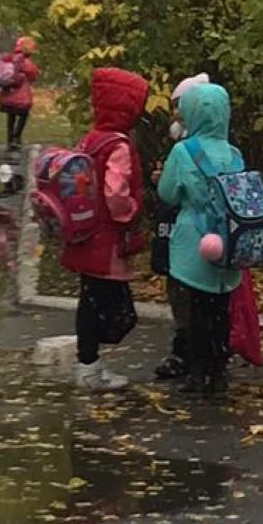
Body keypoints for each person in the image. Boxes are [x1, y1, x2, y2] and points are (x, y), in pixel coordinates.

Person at [61, 67, 151, 391]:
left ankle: (89, 363)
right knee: (115, 310)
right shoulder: (119, 146)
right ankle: (89, 365)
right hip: (108, 238)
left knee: (91, 298)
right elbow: (115, 193)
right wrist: (129, 212)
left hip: (85, 232)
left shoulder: (92, 138)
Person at [157, 81, 246, 397]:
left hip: (193, 243)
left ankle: (196, 374)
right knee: (220, 311)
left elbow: (167, 192)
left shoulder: (183, 151)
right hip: (229, 242)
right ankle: (218, 371)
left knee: (194, 312)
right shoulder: (234, 154)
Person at [152, 73, 210, 381]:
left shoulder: (188, 149)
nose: (175, 113)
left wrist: (165, 181)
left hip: (186, 232)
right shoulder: (190, 144)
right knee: (188, 294)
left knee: (185, 294)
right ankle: (201, 352)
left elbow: (171, 191)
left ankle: (185, 350)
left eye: (181, 106)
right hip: (192, 233)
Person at [0, 37, 41, 151]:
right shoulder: (26, 62)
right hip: (22, 94)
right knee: (23, 114)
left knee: (11, 116)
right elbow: (33, 75)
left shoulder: (10, 58)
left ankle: (10, 137)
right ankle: (17, 136)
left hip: (8, 92)